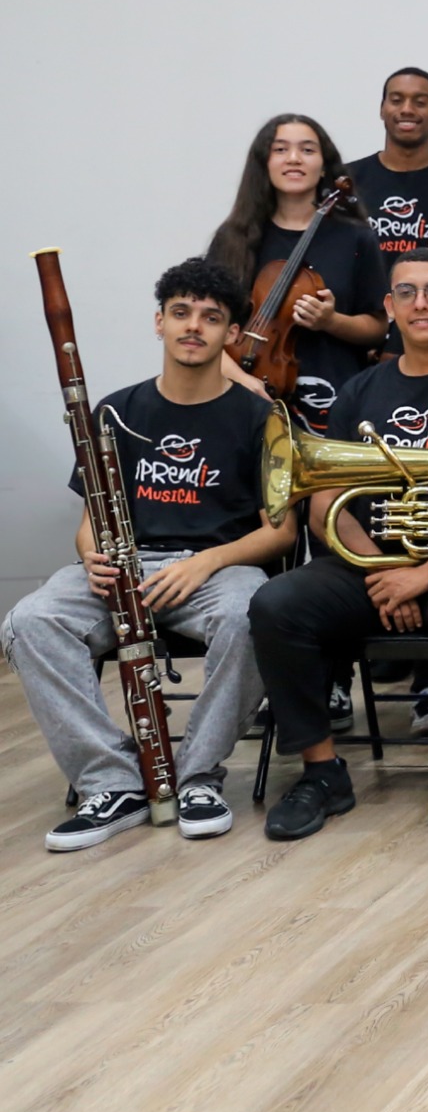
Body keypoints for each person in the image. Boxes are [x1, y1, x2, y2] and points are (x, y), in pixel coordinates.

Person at [2, 259, 295, 851]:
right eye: (181, 314)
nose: (194, 327)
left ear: (231, 336)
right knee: (30, 621)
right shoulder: (115, 411)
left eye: (211, 319)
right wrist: (93, 559)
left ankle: (196, 778)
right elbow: (91, 522)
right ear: (158, 322)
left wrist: (204, 562)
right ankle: (111, 781)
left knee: (253, 615)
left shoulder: (259, 416)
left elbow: (281, 534)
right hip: (125, 563)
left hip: (218, 567)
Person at [248, 248, 428, 840]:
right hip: (375, 560)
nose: (421, 303)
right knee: (275, 604)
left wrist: (425, 573)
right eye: (406, 293)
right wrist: (385, 571)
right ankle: (321, 769)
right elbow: (326, 502)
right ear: (388, 307)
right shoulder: (361, 390)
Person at [207, 113, 389, 432]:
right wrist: (243, 381)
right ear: (264, 162)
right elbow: (208, 325)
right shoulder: (233, 237)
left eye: (307, 150)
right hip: (244, 396)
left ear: (323, 165)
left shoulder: (356, 237)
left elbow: (377, 327)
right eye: (280, 150)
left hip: (332, 403)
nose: (294, 159)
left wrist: (332, 321)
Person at [348, 67, 428, 256]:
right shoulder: (346, 181)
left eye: (420, 102)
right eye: (396, 101)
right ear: (382, 109)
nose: (406, 109)